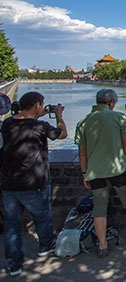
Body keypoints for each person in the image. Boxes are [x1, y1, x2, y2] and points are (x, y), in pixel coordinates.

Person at [75, 89, 126, 258]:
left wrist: (84, 172)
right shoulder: (119, 118)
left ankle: (102, 245)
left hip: (95, 171)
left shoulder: (83, 121)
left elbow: (82, 152)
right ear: (112, 103)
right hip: (119, 168)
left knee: (99, 207)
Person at [0, 92, 67, 276]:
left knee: (11, 225)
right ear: (38, 105)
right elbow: (62, 135)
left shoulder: (7, 124)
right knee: (42, 217)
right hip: (34, 181)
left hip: (9, 184)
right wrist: (59, 116)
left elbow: (23, 122)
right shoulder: (40, 126)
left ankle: (14, 264)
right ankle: (45, 246)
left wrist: (37, 114)